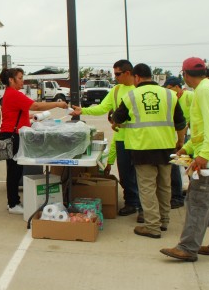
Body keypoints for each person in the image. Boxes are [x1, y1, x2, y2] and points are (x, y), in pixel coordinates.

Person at [160, 57, 209, 262]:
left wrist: (203, 155)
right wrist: (188, 147)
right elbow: (204, 129)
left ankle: (187, 247)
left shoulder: (204, 91)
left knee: (198, 202)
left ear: (184, 74)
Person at [112, 64, 186, 238]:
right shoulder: (170, 95)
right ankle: (164, 221)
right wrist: (180, 142)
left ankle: (152, 226)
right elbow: (181, 123)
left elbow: (117, 118)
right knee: (164, 185)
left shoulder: (131, 95)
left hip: (143, 147)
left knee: (147, 187)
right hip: (167, 146)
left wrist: (118, 121)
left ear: (136, 77)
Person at [71, 60, 142, 221]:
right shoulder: (116, 90)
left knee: (143, 175)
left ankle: (144, 206)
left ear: (128, 73)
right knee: (125, 174)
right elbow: (102, 108)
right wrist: (83, 110)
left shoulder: (139, 89)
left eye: (117, 74)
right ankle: (131, 202)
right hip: (122, 138)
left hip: (140, 139)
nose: (115, 77)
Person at [0, 67, 70, 214]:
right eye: (20, 78)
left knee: (14, 169)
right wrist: (57, 104)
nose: (22, 80)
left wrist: (32, 117)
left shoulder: (10, 94)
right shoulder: (13, 94)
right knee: (14, 171)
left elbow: (17, 112)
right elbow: (35, 105)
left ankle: (13, 202)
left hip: (10, 134)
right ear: (11, 80)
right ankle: (12, 204)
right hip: (12, 136)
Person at [163, 76, 195, 208]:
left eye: (170, 89)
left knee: (189, 165)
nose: (169, 91)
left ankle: (189, 193)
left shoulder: (190, 96)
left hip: (189, 137)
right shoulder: (170, 99)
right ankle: (179, 194)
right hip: (177, 137)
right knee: (179, 165)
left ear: (178, 87)